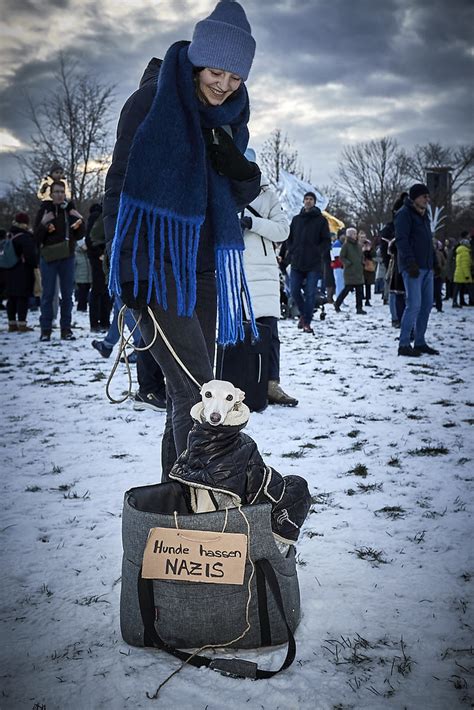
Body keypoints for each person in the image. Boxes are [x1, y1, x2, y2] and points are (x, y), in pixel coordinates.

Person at [103, 0, 261, 481]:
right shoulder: (150, 103)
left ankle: (178, 505)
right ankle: (193, 504)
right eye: (217, 71)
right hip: (156, 268)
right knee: (198, 392)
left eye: (236, 77)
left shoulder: (232, 112)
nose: (225, 85)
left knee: (185, 392)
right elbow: (119, 187)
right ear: (197, 58)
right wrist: (127, 266)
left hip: (206, 268)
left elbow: (237, 191)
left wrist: (243, 171)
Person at [240, 152, 297, 406]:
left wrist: (253, 223)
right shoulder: (221, 188)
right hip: (234, 270)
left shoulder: (268, 194)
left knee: (269, 332)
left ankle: (271, 384)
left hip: (262, 272)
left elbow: (283, 230)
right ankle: (239, 383)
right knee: (237, 333)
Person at [34, 180, 85, 341]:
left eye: (62, 192)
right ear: (51, 193)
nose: (59, 195)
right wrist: (43, 223)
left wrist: (80, 221)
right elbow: (36, 238)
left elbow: (80, 235)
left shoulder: (69, 210)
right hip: (48, 258)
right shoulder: (44, 210)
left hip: (67, 257)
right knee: (48, 294)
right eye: (56, 192)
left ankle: (66, 329)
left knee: (67, 295)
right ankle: (46, 330)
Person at [395, 183, 438, 357]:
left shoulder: (424, 215)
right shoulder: (404, 214)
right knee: (413, 305)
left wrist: (434, 261)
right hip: (412, 267)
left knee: (426, 305)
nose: (427, 199)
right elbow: (402, 240)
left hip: (427, 267)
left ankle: (420, 341)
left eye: (427, 196)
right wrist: (410, 262)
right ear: (415, 198)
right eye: (424, 196)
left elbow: (428, 239)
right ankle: (404, 344)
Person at [285, 191, 331, 333]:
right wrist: (292, 250)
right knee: (294, 291)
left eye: (311, 199)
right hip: (297, 262)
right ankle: (304, 315)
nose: (308, 201)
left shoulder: (321, 220)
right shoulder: (296, 219)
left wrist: (318, 251)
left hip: (313, 263)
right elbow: (289, 237)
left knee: (310, 293)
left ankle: (306, 322)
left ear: (314, 202)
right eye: (306, 199)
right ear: (303, 201)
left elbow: (326, 240)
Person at [5, 212, 38, 332]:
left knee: (11, 298)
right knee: (22, 298)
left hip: (8, 270)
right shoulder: (24, 236)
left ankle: (11, 323)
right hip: (23, 270)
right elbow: (30, 255)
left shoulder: (9, 234)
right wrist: (35, 264)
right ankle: (22, 324)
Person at [85, 205, 111, 333]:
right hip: (99, 257)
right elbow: (90, 238)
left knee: (103, 291)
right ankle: (98, 323)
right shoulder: (97, 216)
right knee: (99, 291)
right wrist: (99, 253)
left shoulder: (99, 216)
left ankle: (102, 322)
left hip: (101, 256)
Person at [333, 227, 366, 314]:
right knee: (346, 290)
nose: (356, 235)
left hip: (358, 271)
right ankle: (337, 304)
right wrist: (348, 263)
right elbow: (341, 257)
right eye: (354, 234)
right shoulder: (346, 245)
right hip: (350, 272)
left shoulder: (358, 245)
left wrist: (362, 262)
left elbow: (361, 255)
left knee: (359, 291)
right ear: (350, 235)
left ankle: (359, 308)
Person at [452, 236, 472, 308]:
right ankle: (470, 301)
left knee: (457, 290)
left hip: (458, 273)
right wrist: (467, 275)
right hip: (463, 274)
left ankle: (455, 302)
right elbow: (465, 265)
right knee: (469, 288)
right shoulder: (465, 253)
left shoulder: (459, 251)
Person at [74, 238, 91, 311]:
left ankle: (84, 307)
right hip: (80, 278)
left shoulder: (88, 254)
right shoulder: (76, 255)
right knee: (82, 293)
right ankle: (81, 307)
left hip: (88, 277)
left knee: (86, 292)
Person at [360, 233, 376, 307]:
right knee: (360, 284)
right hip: (360, 267)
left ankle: (367, 300)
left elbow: (373, 255)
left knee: (368, 284)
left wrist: (369, 250)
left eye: (364, 237)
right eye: (361, 237)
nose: (363, 238)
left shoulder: (369, 245)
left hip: (368, 267)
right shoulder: (358, 246)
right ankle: (361, 298)